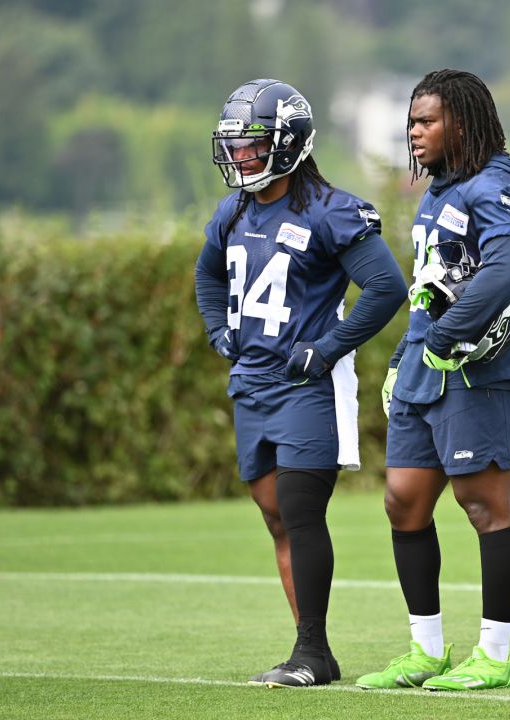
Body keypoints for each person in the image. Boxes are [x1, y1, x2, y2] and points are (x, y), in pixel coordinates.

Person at [194, 78, 407, 688]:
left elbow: (387, 287)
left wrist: (330, 346)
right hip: (252, 384)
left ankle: (310, 652)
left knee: (299, 508)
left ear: (288, 144)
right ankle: (313, 650)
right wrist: (217, 331)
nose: (240, 157)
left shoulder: (330, 210)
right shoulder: (232, 210)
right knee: (274, 515)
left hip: (306, 384)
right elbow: (207, 275)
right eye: (234, 146)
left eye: (253, 145)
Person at [354, 69, 510, 692]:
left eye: (426, 121)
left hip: (476, 367)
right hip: (422, 368)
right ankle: (425, 650)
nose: (414, 133)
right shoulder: (438, 189)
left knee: (482, 503)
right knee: (403, 501)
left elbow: (505, 270)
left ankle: (494, 655)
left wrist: (442, 337)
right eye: (411, 122)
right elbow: (430, 286)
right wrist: (403, 357)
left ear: (460, 123)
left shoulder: (497, 181)